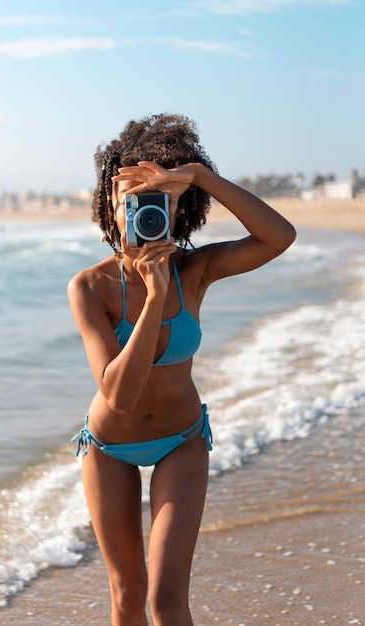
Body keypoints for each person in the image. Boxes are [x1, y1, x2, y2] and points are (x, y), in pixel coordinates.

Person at [69, 113, 296, 626]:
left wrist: (200, 176)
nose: (142, 209)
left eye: (160, 197)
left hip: (182, 441)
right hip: (110, 448)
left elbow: (280, 236)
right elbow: (119, 395)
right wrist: (153, 298)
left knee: (167, 601)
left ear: (179, 206)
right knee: (128, 593)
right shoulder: (89, 287)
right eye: (129, 196)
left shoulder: (195, 269)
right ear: (111, 202)